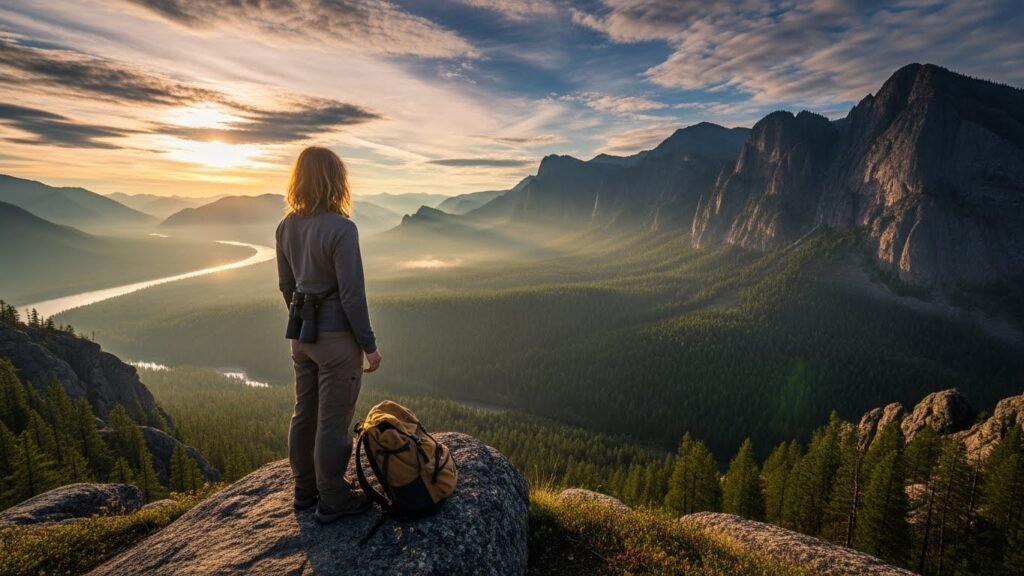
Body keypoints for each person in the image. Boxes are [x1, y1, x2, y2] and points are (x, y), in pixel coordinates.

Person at [276, 146, 383, 524]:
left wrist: (306, 317)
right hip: (337, 342)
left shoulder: (286, 226)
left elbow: (286, 286)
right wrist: (369, 346)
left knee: (303, 413)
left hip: (301, 336)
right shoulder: (342, 229)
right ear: (336, 181)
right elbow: (353, 296)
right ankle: (334, 497)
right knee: (333, 422)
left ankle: (304, 492)